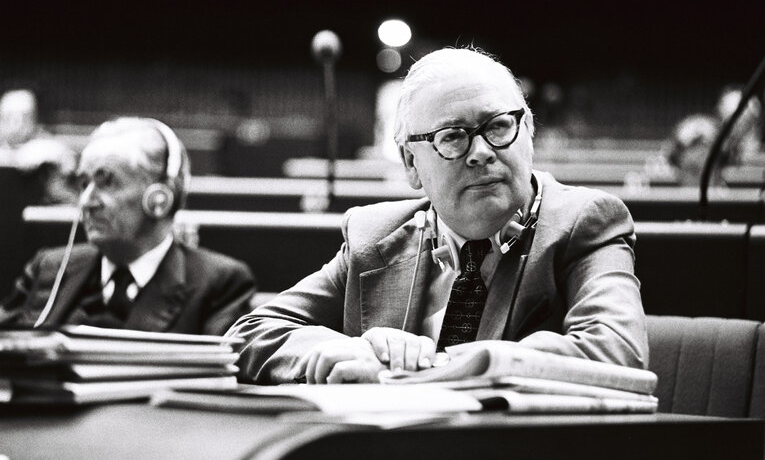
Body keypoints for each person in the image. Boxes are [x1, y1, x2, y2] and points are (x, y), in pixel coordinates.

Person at [227, 47, 648, 384]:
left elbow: (616, 354)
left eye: (499, 127)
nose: (482, 152)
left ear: (529, 134)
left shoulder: (587, 222)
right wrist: (341, 348)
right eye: (453, 137)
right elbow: (248, 335)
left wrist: (436, 368)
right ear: (411, 164)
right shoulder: (373, 236)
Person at [0, 117, 256, 334]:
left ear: (159, 200)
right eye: (83, 183)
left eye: (107, 182)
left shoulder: (220, 284)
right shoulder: (49, 268)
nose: (86, 201)